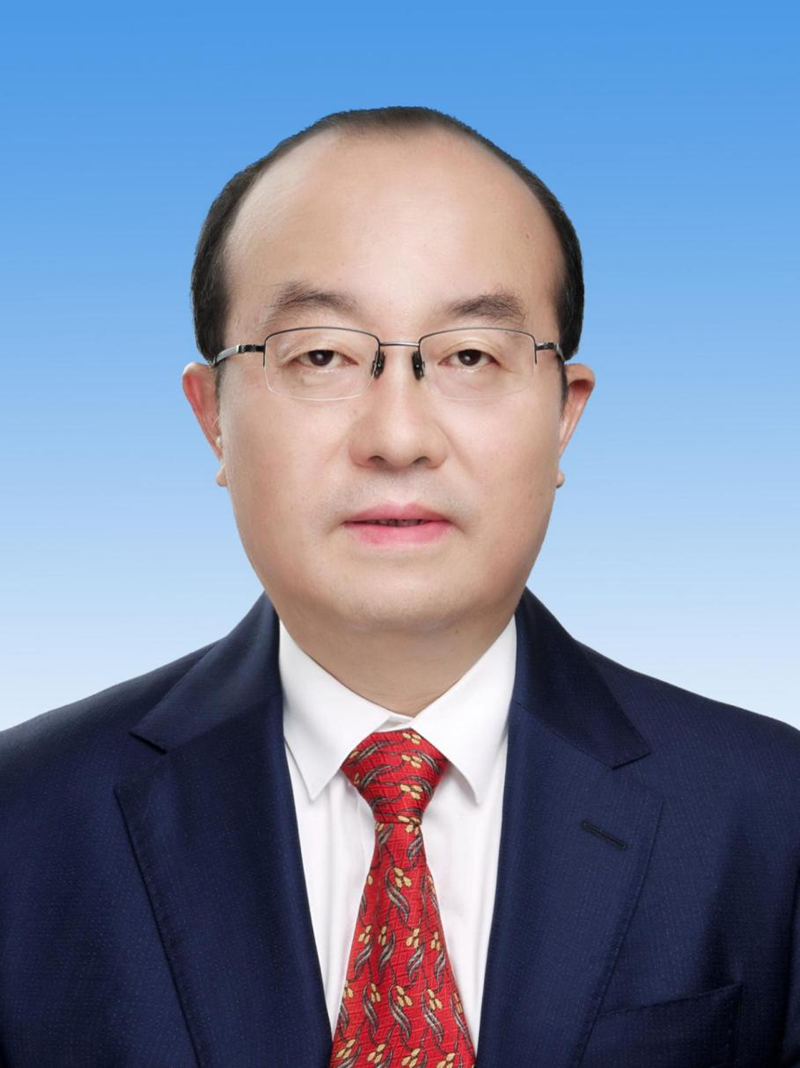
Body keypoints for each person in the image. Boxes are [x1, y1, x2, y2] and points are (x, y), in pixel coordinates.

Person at [1, 105, 798, 1068]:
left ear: (565, 416)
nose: (398, 436)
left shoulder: (770, 816)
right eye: (321, 355)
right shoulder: (24, 822)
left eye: (470, 356)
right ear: (213, 417)